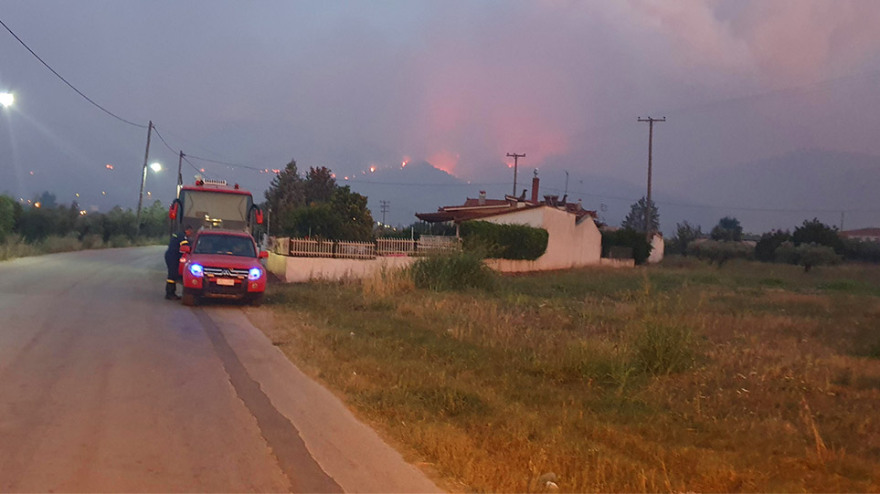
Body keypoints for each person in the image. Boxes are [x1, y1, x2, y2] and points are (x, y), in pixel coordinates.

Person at [164, 225, 193, 300]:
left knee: (173, 274)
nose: (190, 234)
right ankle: (170, 294)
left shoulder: (178, 233)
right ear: (187, 230)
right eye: (190, 232)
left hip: (171, 255)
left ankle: (171, 293)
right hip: (172, 256)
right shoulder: (182, 236)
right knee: (172, 275)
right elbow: (185, 246)